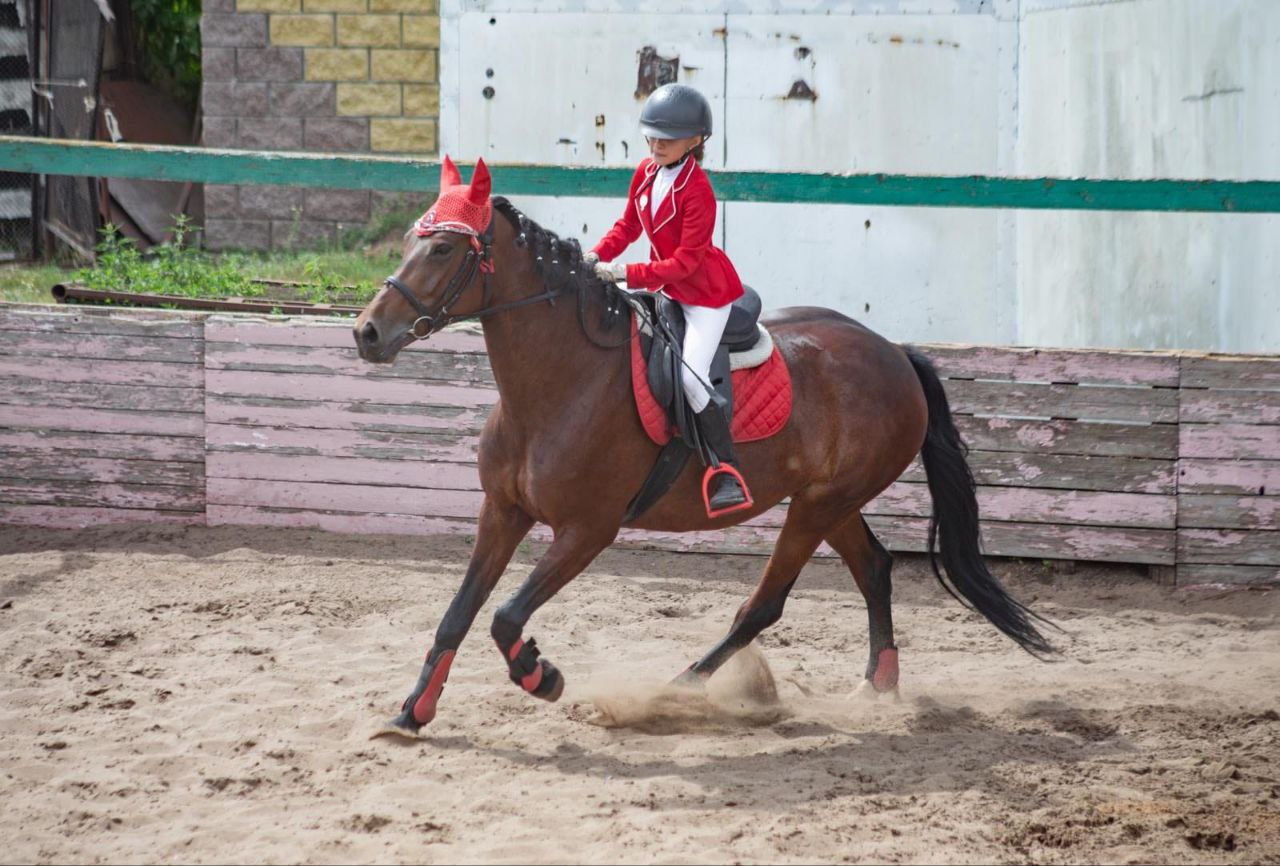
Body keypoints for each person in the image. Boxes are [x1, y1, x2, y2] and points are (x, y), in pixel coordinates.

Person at [586, 83, 752, 518]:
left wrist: (627, 273)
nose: (657, 144)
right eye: (652, 136)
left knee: (692, 380)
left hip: (702, 296)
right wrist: (596, 256)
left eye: (668, 138)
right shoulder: (644, 172)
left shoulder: (699, 191)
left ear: (695, 141)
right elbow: (627, 228)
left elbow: (685, 263)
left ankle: (725, 468)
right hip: (663, 288)